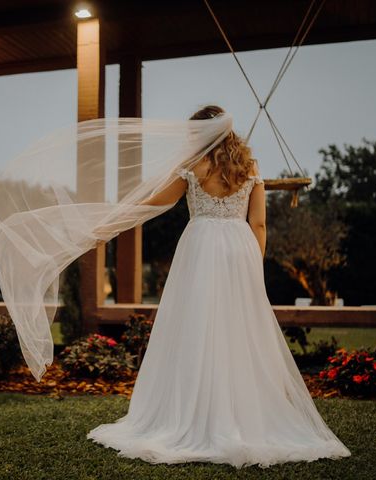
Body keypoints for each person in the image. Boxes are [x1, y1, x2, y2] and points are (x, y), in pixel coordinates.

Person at [85, 105, 352, 468]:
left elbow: (156, 203)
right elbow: (259, 225)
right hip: (239, 250)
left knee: (197, 327)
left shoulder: (192, 167)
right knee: (239, 332)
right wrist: (253, 267)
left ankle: (196, 415)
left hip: (201, 249)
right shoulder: (250, 167)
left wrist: (117, 215)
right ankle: (244, 415)